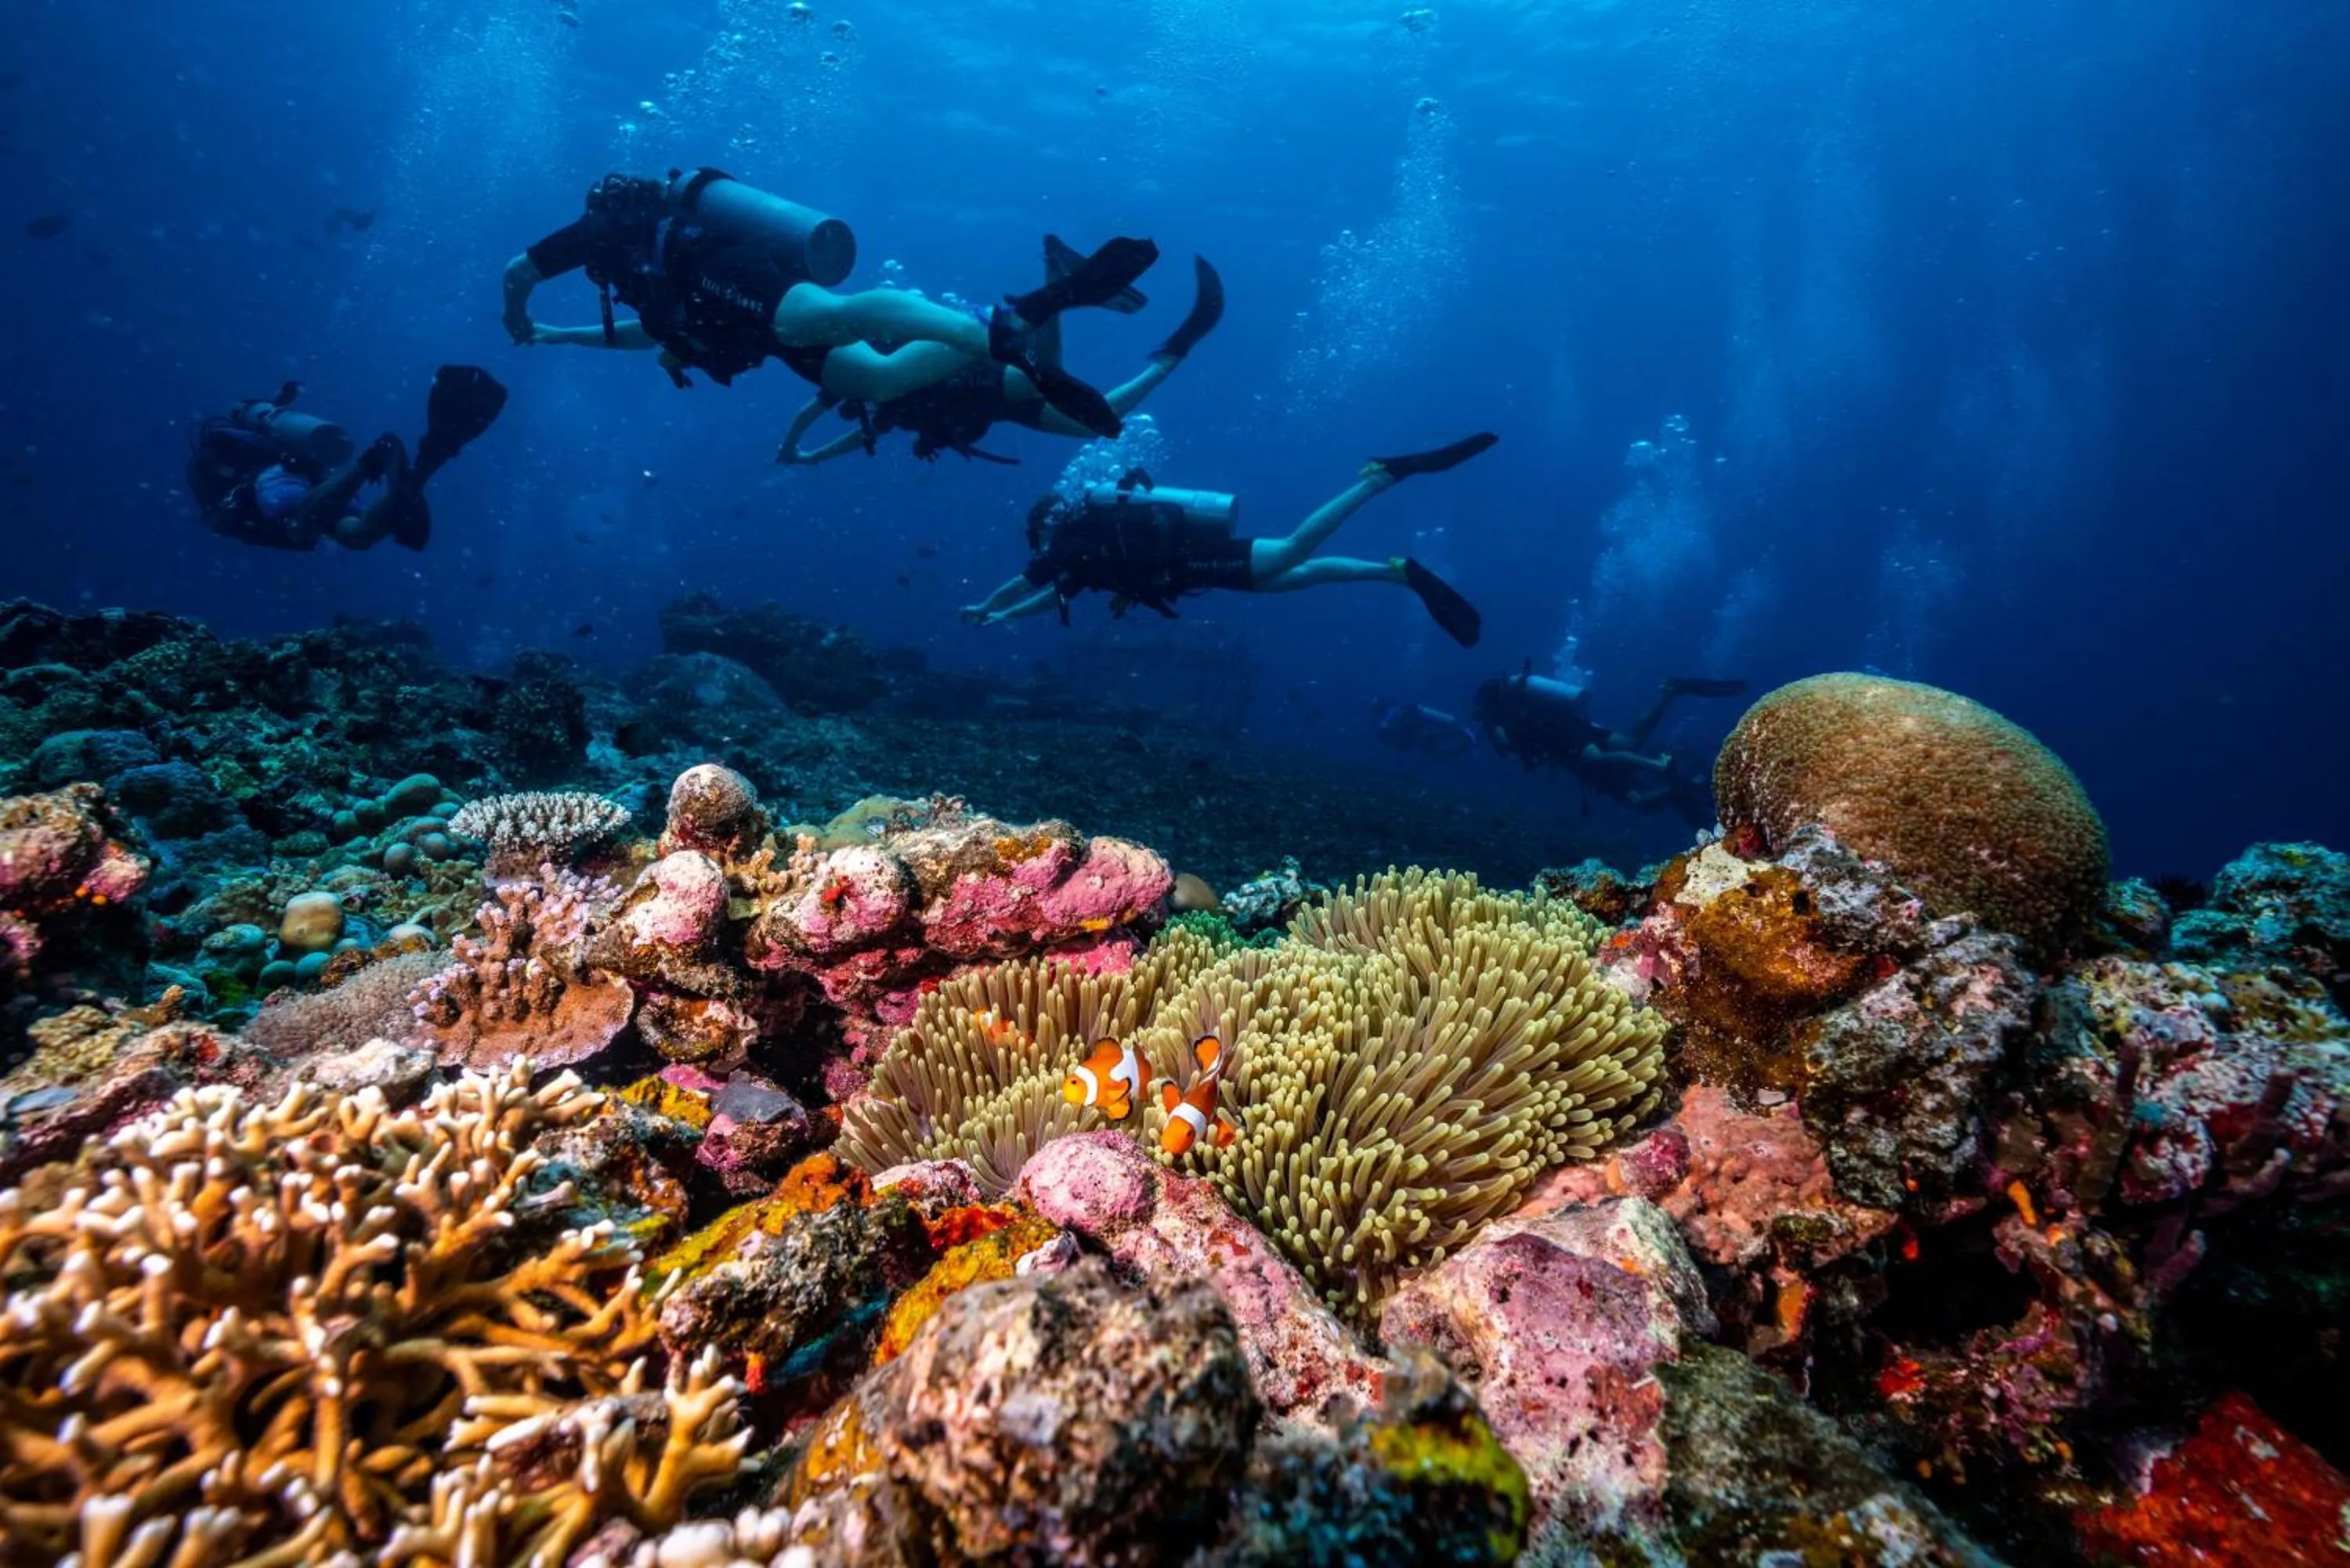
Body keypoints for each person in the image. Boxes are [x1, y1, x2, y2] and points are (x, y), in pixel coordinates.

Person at [501, 168, 1158, 437]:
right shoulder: (645, 284)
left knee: (823, 315)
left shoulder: (606, 231)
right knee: (877, 379)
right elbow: (650, 333)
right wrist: (557, 335)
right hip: (745, 323)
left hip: (726, 273)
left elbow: (519, 268)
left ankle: (995, 330)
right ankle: (1015, 321)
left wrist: (519, 315)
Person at [960, 433, 1497, 646]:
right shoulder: (1081, 553)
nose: (1039, 549)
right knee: (1295, 578)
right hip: (1195, 567)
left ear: (1046, 527)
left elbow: (1024, 589)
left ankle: (1379, 478)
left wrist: (991, 608)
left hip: (1200, 561)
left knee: (1292, 552)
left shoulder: (1070, 546)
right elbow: (1042, 598)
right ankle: (1395, 571)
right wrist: (1000, 612)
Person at [776, 248, 1225, 465]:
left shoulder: (859, 374)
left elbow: (809, 410)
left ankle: (1056, 287)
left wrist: (794, 446)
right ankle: (1173, 354)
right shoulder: (880, 406)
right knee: (1103, 422)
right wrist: (809, 455)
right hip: (993, 404)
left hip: (978, 382)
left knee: (1043, 375)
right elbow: (859, 436)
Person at [185, 366, 507, 551]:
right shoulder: (253, 434)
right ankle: (426, 460)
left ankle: (372, 462)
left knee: (303, 527)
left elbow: (223, 473)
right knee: (355, 535)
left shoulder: (225, 444)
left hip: (270, 482)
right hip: (303, 477)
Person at [1473, 666, 1747, 815]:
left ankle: (1660, 766)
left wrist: (1491, 726)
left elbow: (1508, 746)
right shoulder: (1520, 705)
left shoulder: (1502, 716)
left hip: (1563, 734)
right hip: (1578, 727)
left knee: (1601, 761)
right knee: (1630, 742)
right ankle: (1668, 693)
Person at [1374, 699, 1478, 761]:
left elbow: (1385, 737)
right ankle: (1464, 745)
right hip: (1421, 736)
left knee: (1437, 753)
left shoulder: (1389, 719)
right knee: (1437, 755)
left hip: (1423, 734)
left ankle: (1464, 743)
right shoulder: (1397, 714)